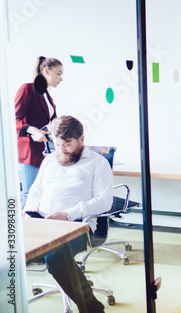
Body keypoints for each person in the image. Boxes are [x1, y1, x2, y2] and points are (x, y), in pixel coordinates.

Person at [24, 115, 113, 312]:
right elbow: (36, 190)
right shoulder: (49, 160)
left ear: (81, 139)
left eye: (67, 144)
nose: (61, 150)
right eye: (57, 144)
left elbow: (105, 200)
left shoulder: (98, 163)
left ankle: (92, 309)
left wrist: (68, 214)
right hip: (41, 224)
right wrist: (29, 212)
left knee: (56, 257)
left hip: (77, 227)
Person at [15, 56, 63, 209]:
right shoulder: (27, 89)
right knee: (29, 195)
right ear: (47, 71)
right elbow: (13, 119)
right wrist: (33, 129)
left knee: (40, 196)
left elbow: (51, 123)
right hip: (29, 152)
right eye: (59, 73)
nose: (61, 78)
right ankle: (17, 232)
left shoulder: (47, 96)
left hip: (44, 152)